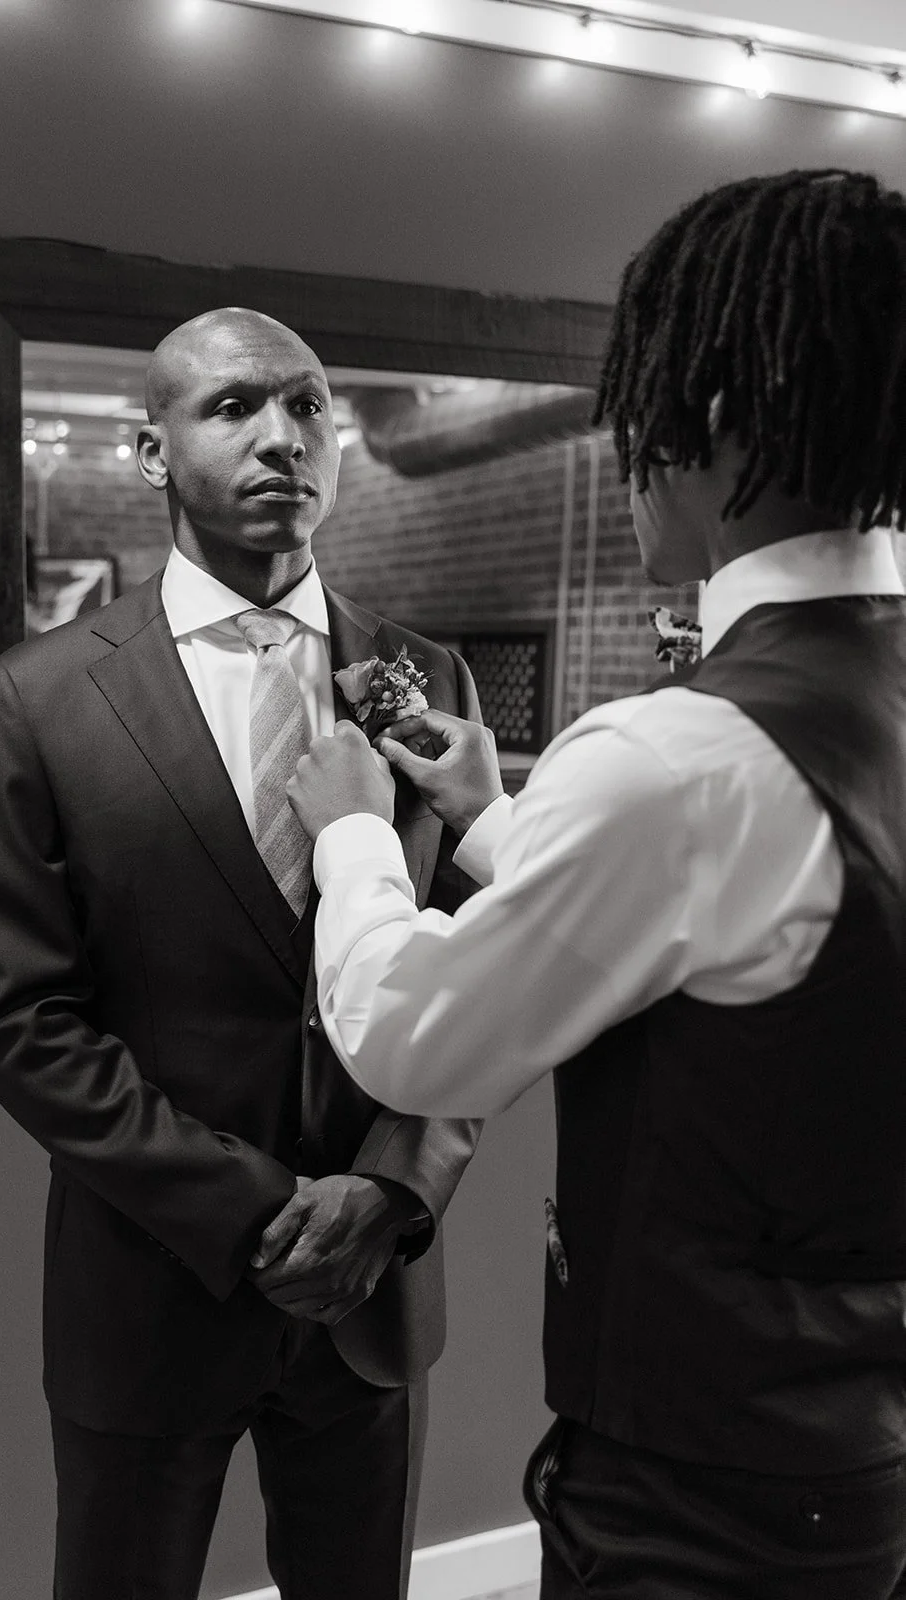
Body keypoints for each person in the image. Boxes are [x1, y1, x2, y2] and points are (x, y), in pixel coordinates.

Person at [285, 169, 906, 1599]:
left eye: (641, 410)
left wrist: (355, 836)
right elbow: (766, 930)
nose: (627, 452)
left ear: (713, 420)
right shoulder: (803, 730)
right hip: (865, 1437)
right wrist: (492, 819)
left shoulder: (674, 754)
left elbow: (413, 1036)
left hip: (706, 1487)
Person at [0, 307, 482, 1600]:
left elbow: (480, 980)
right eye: (234, 406)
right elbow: (21, 1022)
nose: (282, 437)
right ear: (151, 450)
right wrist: (258, 1214)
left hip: (371, 1289)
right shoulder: (32, 698)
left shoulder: (428, 675)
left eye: (308, 406)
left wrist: (391, 1191)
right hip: (152, 1288)